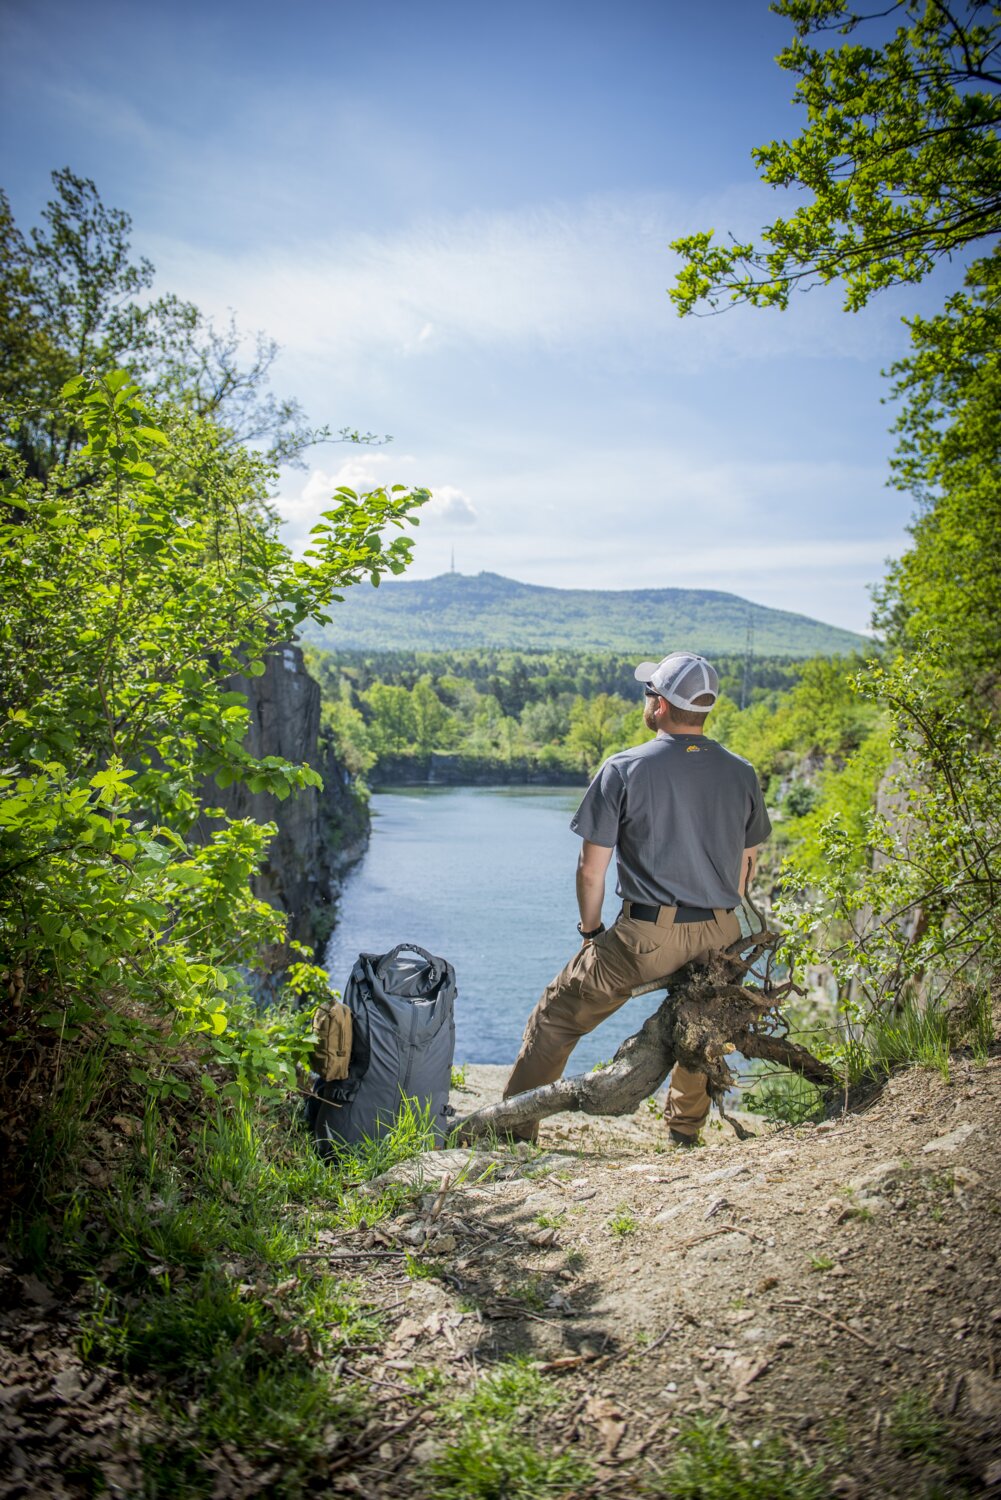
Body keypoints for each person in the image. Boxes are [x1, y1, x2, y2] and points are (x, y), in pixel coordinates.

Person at [503, 651, 771, 1145]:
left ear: (662, 706)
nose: (645, 699)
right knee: (702, 1013)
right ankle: (684, 1131)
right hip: (722, 928)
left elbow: (591, 871)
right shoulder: (741, 772)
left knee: (556, 1017)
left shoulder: (624, 769)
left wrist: (591, 933)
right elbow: (747, 864)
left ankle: (512, 1134)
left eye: (650, 692)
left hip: (649, 935)